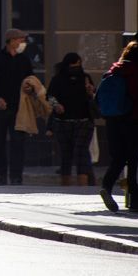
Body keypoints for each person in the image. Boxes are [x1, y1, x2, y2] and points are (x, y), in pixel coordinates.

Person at [99, 42, 138, 212]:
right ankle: (135, 201)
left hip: (113, 121)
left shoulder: (112, 71)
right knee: (134, 160)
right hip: (134, 121)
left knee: (118, 158)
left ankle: (106, 187)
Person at [0, 28, 34, 185]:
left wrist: (30, 88)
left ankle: (17, 175)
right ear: (11, 41)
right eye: (19, 40)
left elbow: (30, 78)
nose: (22, 43)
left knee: (18, 142)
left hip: (19, 109)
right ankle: (1, 174)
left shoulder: (24, 60)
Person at [46, 52, 97, 186]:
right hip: (63, 122)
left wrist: (91, 91)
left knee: (81, 152)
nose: (76, 68)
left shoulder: (85, 78)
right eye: (73, 65)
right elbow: (50, 96)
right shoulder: (58, 79)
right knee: (66, 153)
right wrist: (56, 105)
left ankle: (83, 184)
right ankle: (66, 183)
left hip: (84, 121)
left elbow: (94, 95)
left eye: (78, 65)